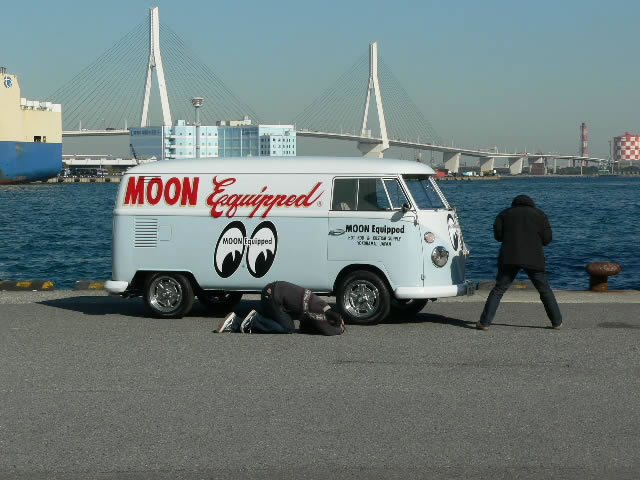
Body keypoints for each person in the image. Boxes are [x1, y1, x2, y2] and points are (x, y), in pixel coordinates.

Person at [477, 194, 563, 331]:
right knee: (544, 290)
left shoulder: (504, 214)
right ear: (531, 204)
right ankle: (557, 322)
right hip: (534, 257)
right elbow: (547, 239)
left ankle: (484, 323)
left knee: (498, 290)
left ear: (514, 204)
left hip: (509, 257)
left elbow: (498, 236)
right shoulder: (540, 215)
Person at [216, 281, 345, 336]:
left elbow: (303, 325)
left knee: (287, 321)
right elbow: (327, 331)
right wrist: (340, 328)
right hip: (271, 296)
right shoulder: (318, 310)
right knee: (287, 328)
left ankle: (241, 321)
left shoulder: (321, 304)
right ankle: (246, 321)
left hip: (272, 293)